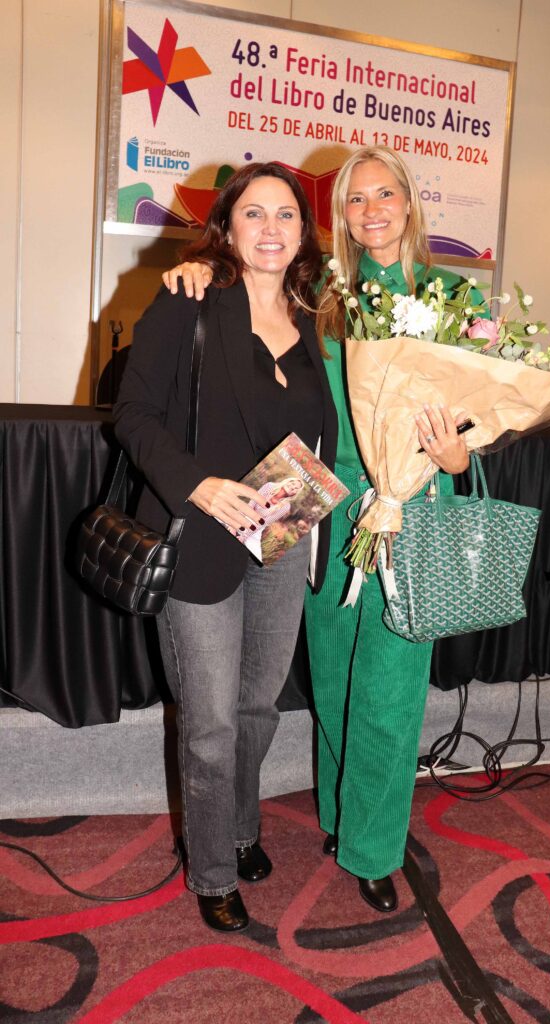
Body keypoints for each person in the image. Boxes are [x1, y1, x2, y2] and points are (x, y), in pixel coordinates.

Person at [163, 146, 481, 914]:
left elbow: (475, 416)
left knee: (390, 689)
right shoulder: (324, 295)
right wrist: (199, 269)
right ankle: (340, 822)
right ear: (337, 217)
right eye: (354, 199)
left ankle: (372, 848)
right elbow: (250, 305)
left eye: (384, 194)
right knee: (333, 680)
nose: (370, 210)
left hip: (408, 510)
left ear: (409, 201)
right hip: (316, 511)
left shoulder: (450, 297)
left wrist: (455, 453)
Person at [114, 162, 337, 933]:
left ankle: (241, 829)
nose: (271, 228)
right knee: (208, 721)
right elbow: (133, 414)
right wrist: (196, 484)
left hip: (281, 531)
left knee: (257, 709)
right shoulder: (190, 300)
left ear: (304, 234)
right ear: (228, 227)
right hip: (202, 536)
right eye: (254, 214)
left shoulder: (315, 316)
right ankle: (211, 867)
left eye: (286, 215)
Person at [241, 476, 304, 561]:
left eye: (296, 488)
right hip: (246, 514)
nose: (293, 487)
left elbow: (264, 523)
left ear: (295, 493)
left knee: (257, 557)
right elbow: (252, 503)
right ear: (287, 481)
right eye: (292, 483)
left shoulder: (285, 506)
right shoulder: (269, 486)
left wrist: (245, 536)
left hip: (256, 528)